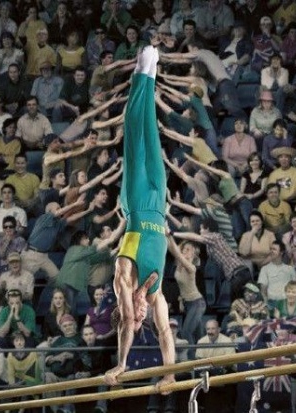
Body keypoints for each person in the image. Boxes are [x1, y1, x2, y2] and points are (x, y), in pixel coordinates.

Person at [103, 45, 175, 390]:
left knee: (134, 137)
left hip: (135, 201)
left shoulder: (124, 278)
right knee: (152, 132)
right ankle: (151, 74)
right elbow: (165, 333)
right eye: (141, 319)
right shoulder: (156, 295)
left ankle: (138, 75)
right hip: (158, 203)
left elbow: (126, 322)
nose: (141, 315)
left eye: (136, 316)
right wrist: (169, 373)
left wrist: (121, 364)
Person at [167, 233, 205, 345]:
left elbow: (177, 254)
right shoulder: (180, 263)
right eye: (184, 248)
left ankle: (192, 356)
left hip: (197, 303)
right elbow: (172, 249)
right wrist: (166, 236)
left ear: (194, 253)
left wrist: (169, 235)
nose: (184, 250)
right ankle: (202, 354)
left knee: (186, 332)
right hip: (188, 303)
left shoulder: (191, 267)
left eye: (188, 249)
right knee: (199, 336)